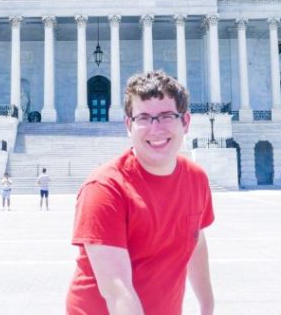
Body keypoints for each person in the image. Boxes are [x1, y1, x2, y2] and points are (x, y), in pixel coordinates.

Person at [66, 70, 215, 315]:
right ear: (129, 125)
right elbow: (117, 291)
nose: (155, 129)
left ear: (185, 122)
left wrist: (207, 306)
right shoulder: (104, 189)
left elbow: (195, 241)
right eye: (144, 117)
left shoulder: (195, 178)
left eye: (166, 116)